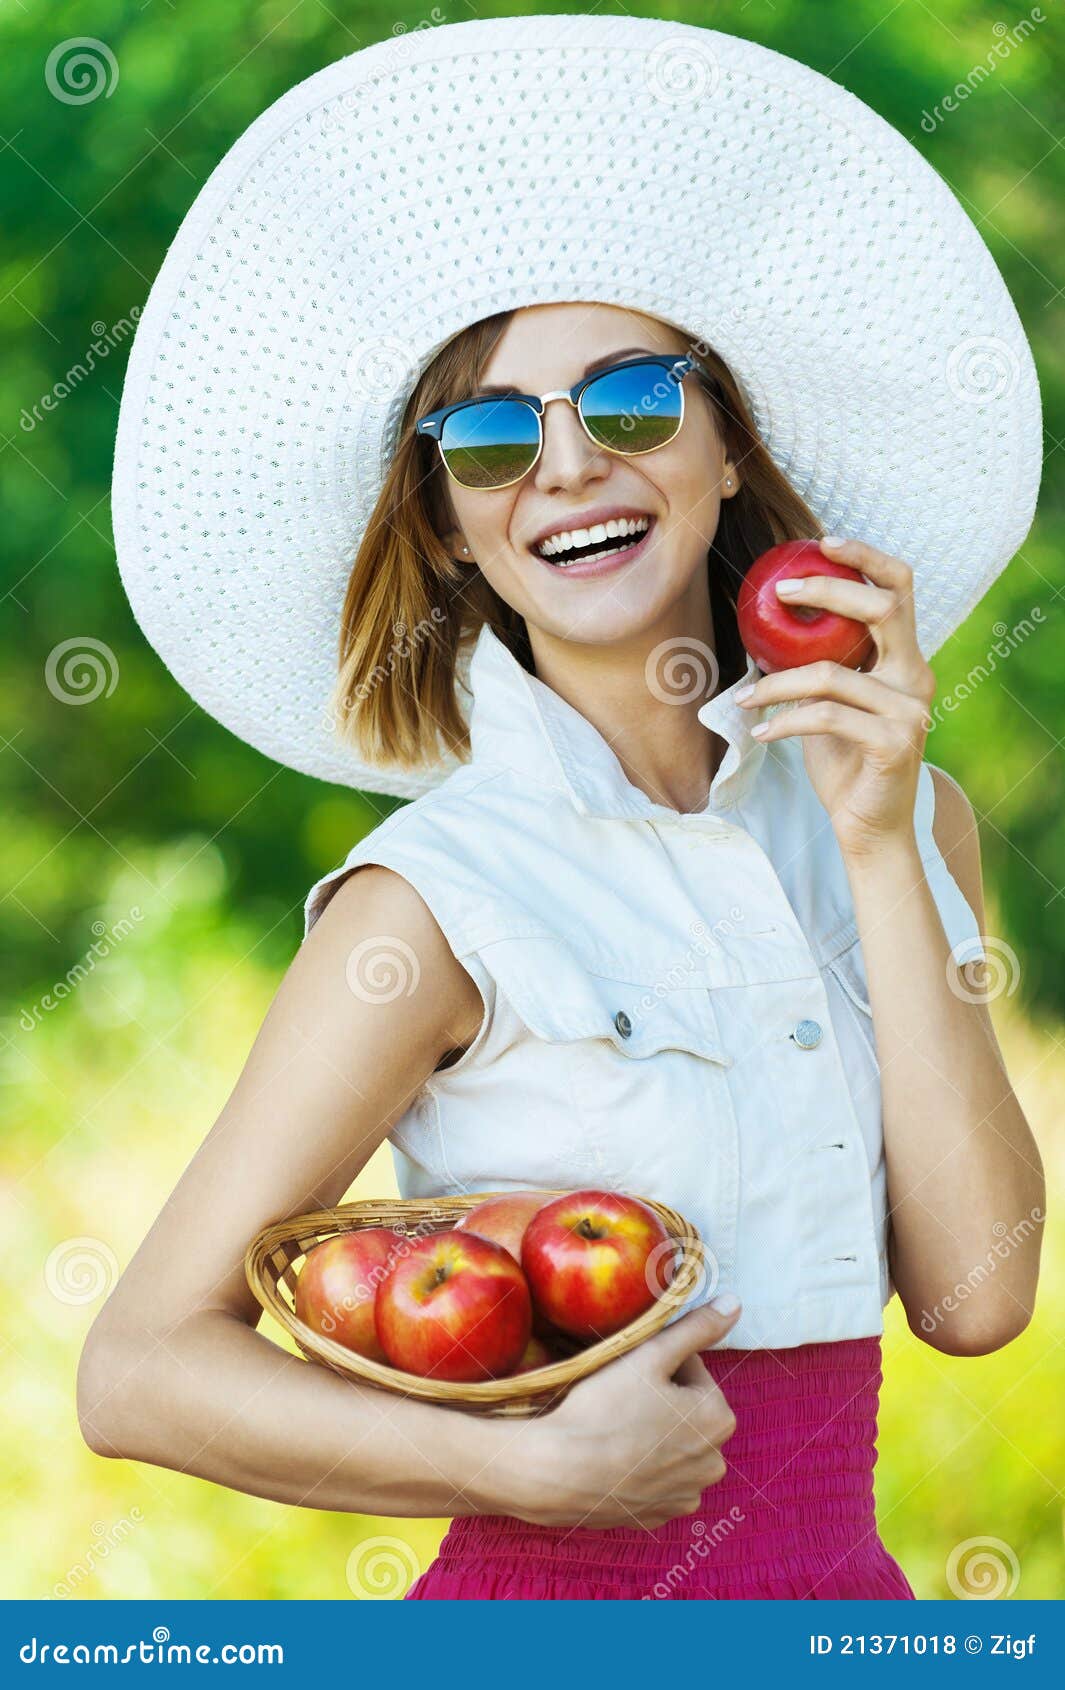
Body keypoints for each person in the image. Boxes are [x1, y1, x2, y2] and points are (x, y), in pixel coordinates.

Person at [79, 15, 1045, 1600]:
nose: (571, 465)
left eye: (637, 404)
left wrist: (877, 848)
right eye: (488, 436)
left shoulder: (904, 816)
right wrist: (510, 1461)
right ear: (452, 530)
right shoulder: (431, 905)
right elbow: (134, 1370)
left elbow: (974, 1300)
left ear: (729, 445)